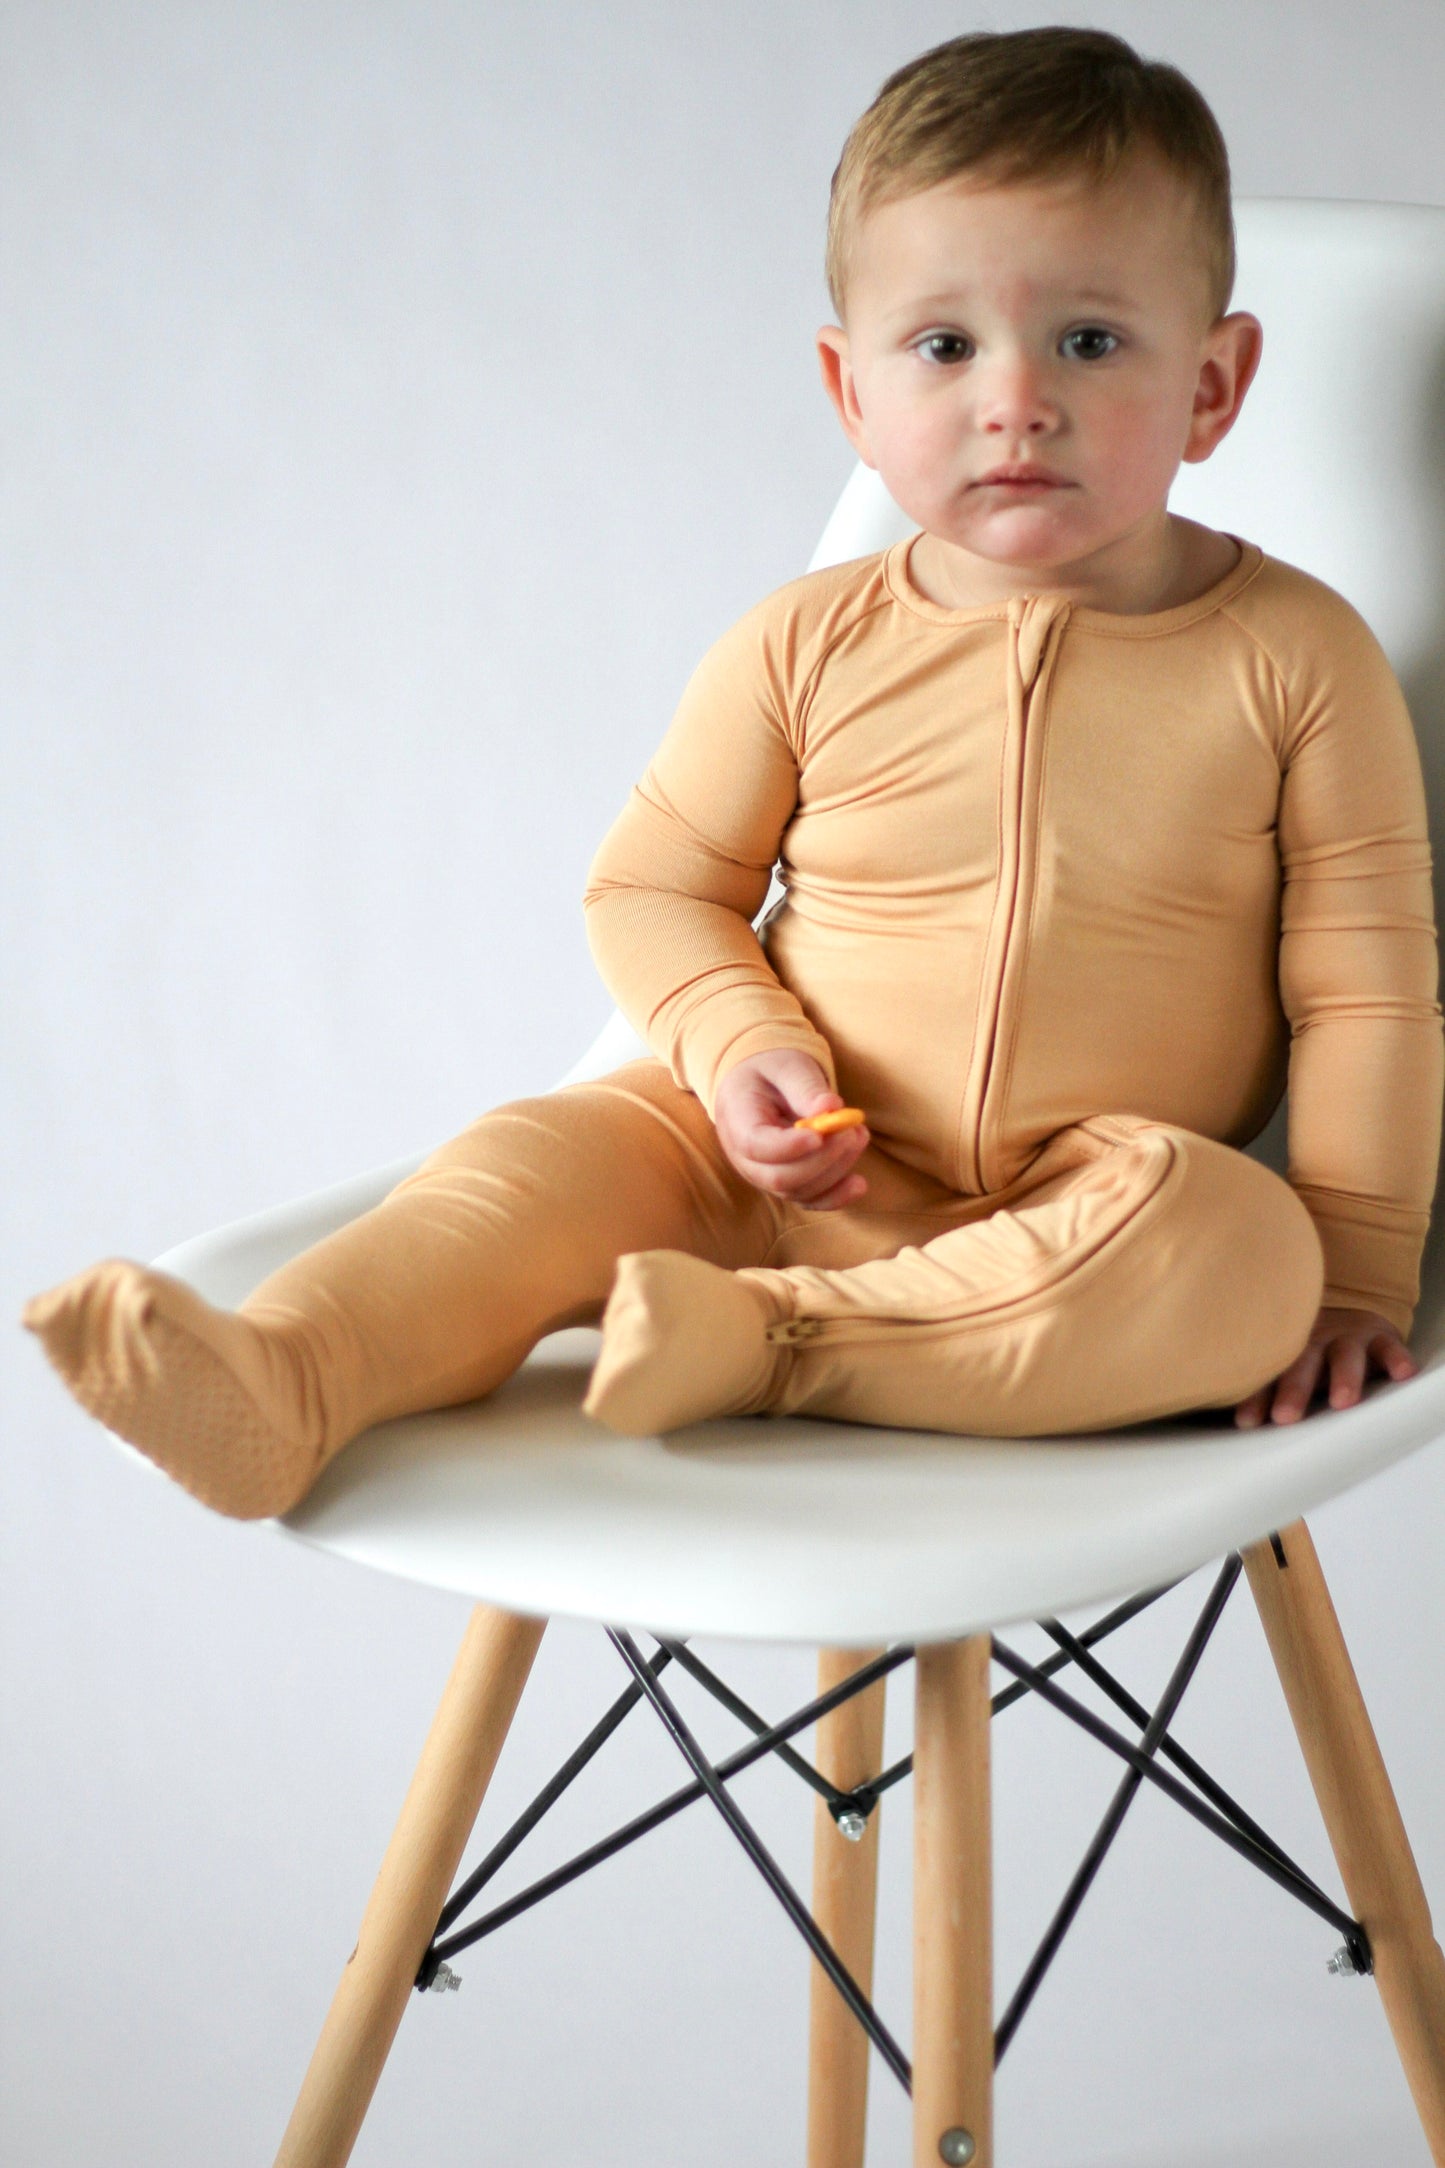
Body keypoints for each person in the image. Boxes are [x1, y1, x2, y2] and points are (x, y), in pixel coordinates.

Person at [22, 26, 1444, 1520]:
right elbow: (654, 885)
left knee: (1241, 1255)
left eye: (1089, 342)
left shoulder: (1295, 655)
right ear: (851, 391)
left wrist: (1354, 1266)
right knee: (534, 1163)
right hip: (766, 1162)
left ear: (1215, 384)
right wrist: (739, 1051)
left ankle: (768, 1346)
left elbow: (1359, 988)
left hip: (1072, 1213)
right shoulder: (805, 642)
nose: (1013, 400)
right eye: (945, 346)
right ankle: (290, 1378)